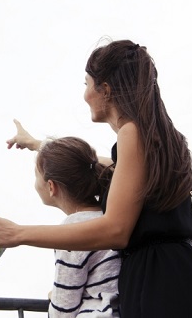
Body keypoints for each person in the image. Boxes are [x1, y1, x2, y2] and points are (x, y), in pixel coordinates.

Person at [0, 40, 192, 317]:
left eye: (86, 84)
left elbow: (115, 229)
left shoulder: (131, 133)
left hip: (160, 288)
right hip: (183, 280)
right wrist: (37, 144)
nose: (85, 95)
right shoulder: (154, 136)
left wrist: (18, 234)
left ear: (105, 90)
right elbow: (96, 165)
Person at [32, 136, 121, 317]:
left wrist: (55, 297)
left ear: (51, 186)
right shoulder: (110, 218)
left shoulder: (71, 231)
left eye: (35, 176)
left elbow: (63, 309)